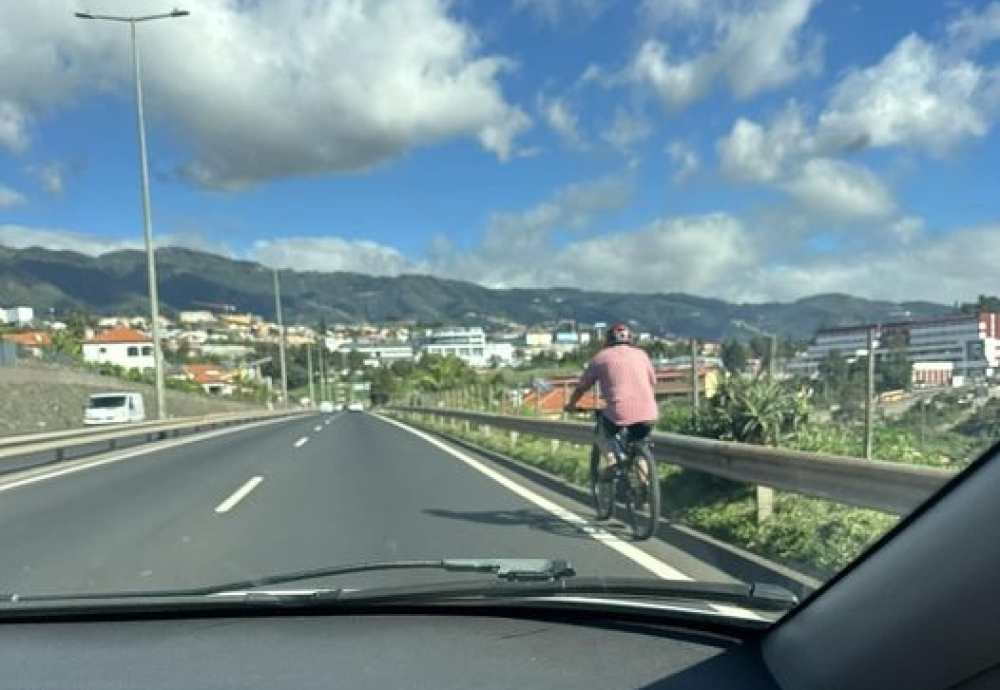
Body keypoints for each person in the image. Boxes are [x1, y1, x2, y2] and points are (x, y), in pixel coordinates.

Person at [564, 322, 658, 475]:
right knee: (640, 448)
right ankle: (647, 494)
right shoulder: (642, 355)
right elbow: (653, 381)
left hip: (618, 412)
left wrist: (571, 404)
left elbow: (582, 387)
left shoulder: (601, 358)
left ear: (608, 339)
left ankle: (612, 460)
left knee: (601, 433)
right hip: (649, 413)